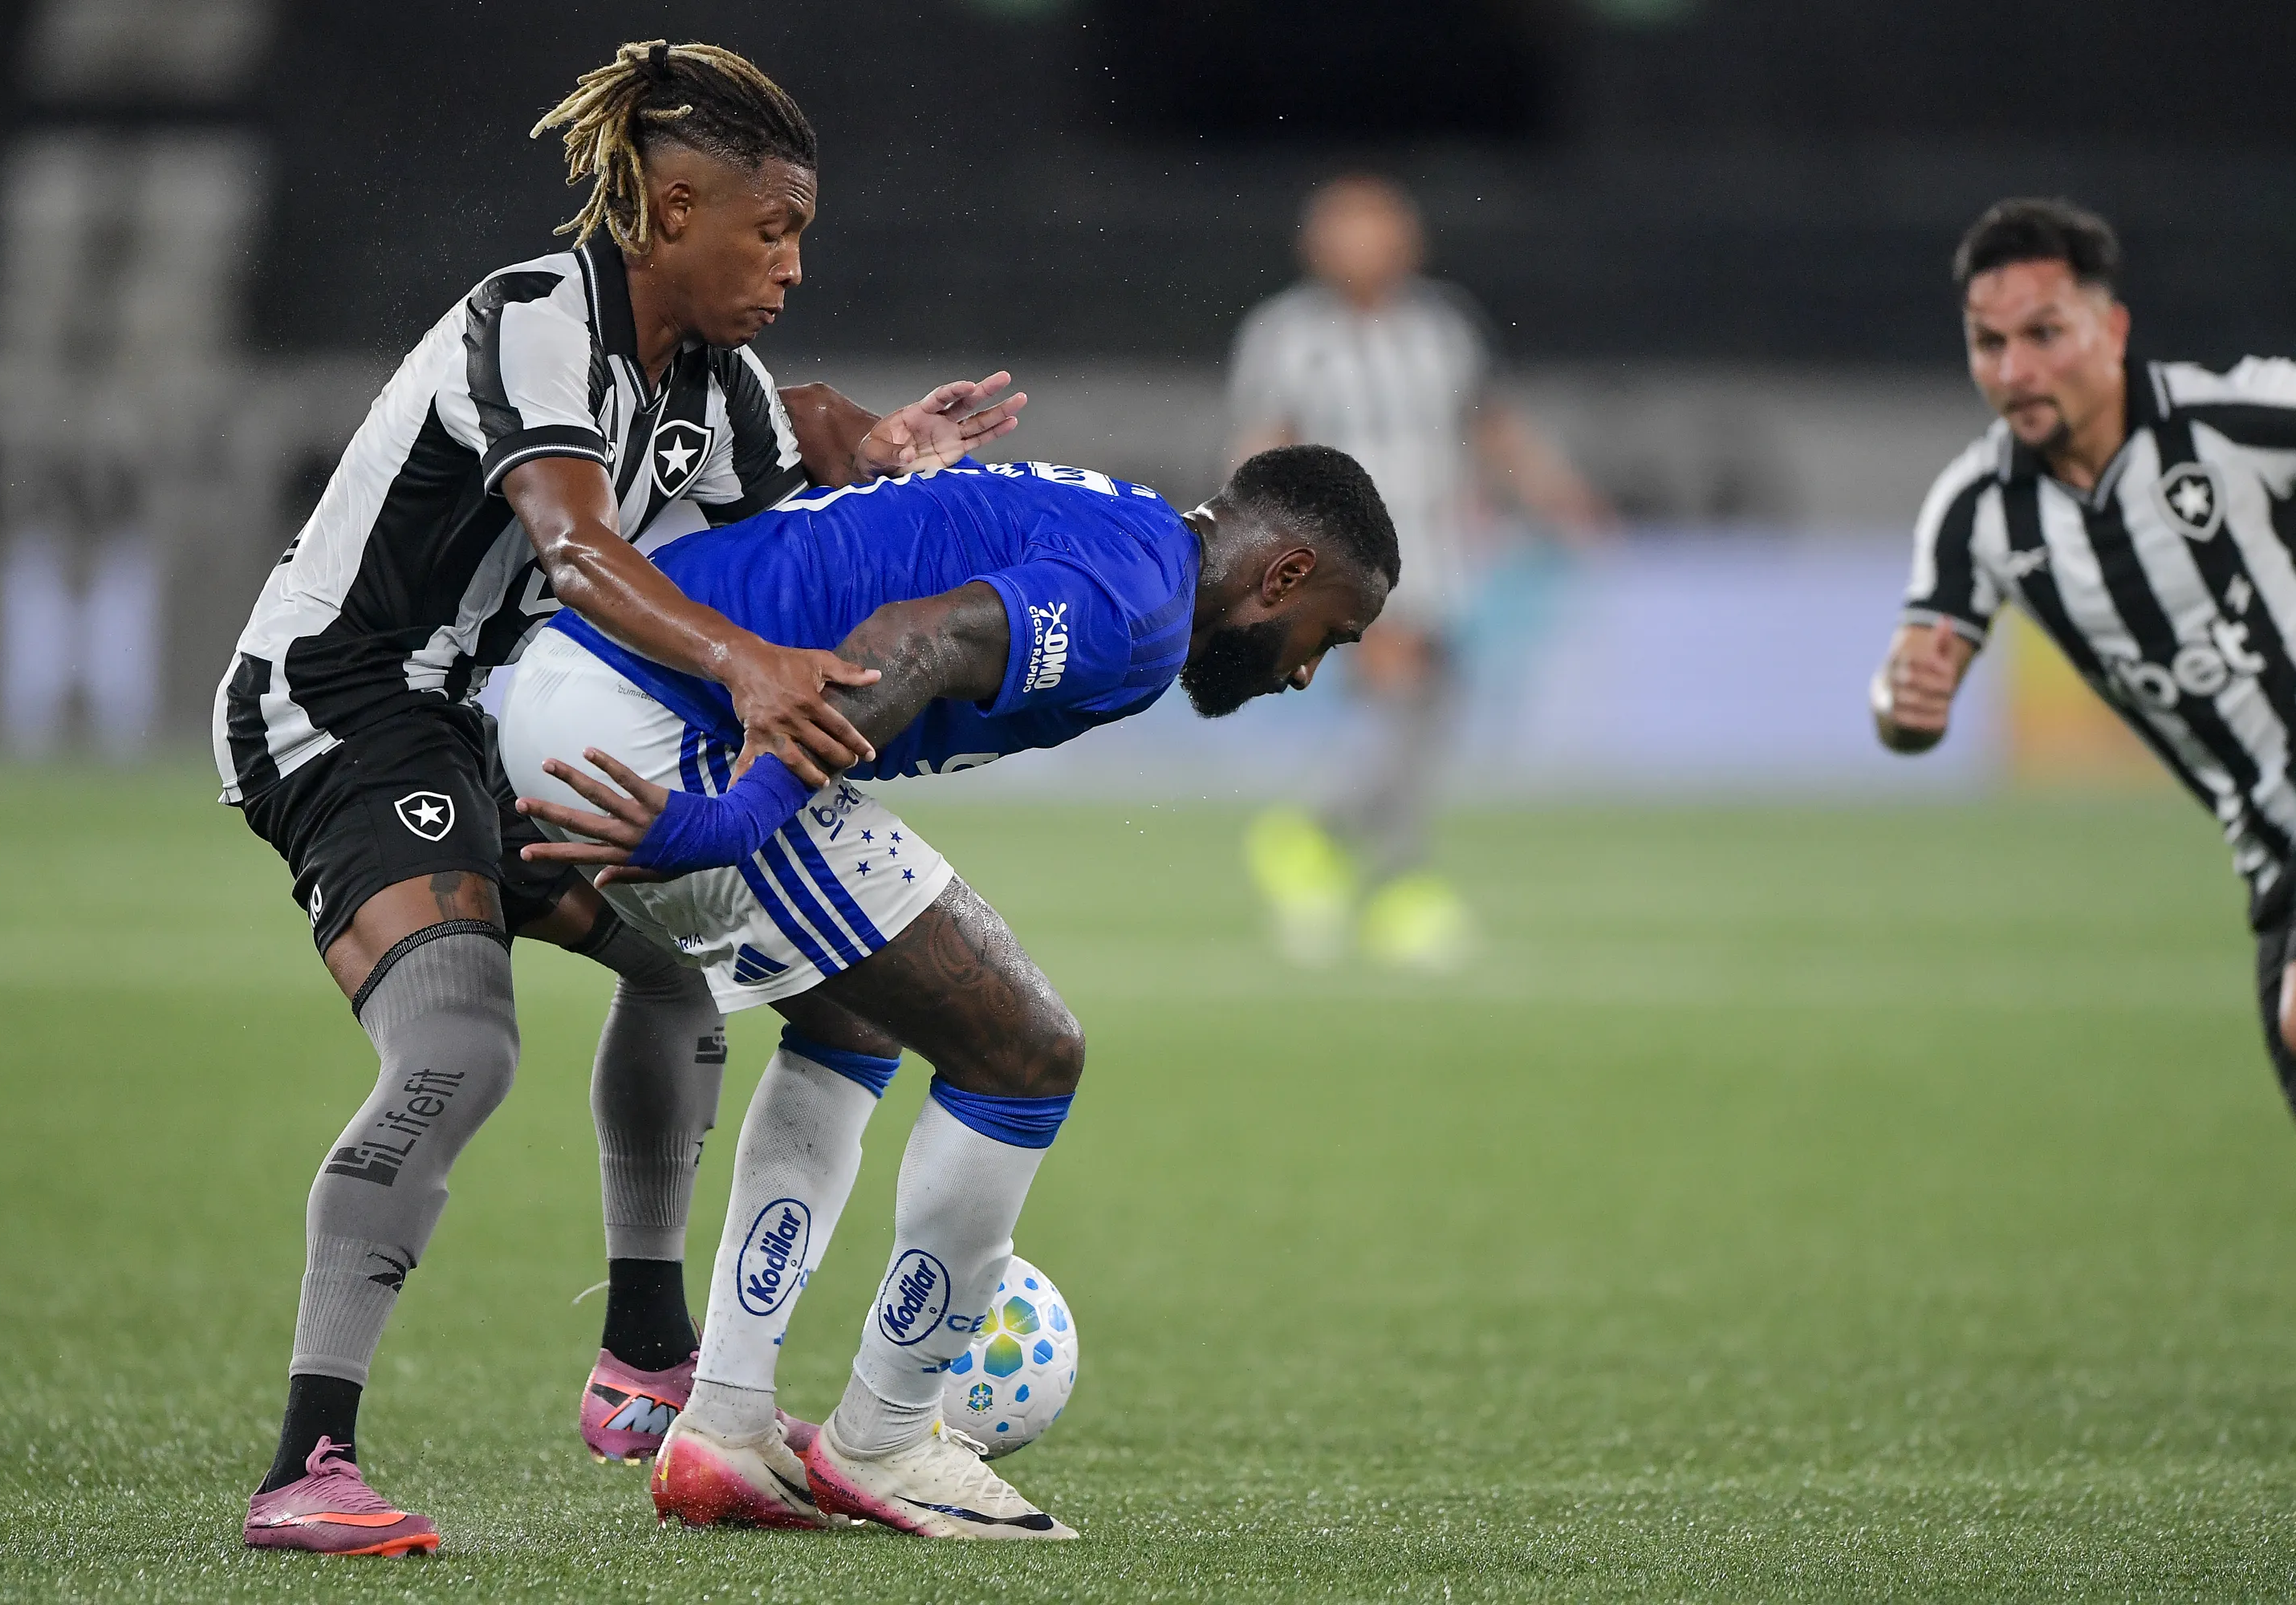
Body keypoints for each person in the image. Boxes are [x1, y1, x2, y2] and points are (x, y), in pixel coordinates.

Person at [224, 39, 1031, 1555]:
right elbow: (588, 551)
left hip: (485, 723)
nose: (794, 261)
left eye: (802, 231)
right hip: (344, 700)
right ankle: (306, 1464)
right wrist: (745, 673)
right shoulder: (536, 316)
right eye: (771, 227)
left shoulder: (703, 384)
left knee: (678, 981)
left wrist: (889, 458)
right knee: (458, 1044)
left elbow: (789, 462)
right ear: (668, 207)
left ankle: (646, 1368)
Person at [498, 444, 1397, 1538]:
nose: (1307, 671)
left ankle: (726, 1429)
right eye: (1330, 640)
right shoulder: (1141, 608)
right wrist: (734, 821)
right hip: (656, 725)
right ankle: (887, 1442)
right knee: (1025, 1054)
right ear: (1287, 576)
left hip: (600, 688)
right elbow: (909, 644)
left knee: (858, 1014)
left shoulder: (1137, 539)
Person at [1875, 197, 2296, 1170]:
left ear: (2111, 329)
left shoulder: (2232, 421)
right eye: (1988, 343)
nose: (2015, 370)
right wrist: (1901, 704)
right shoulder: (1977, 509)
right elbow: (1917, 677)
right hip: (2275, 861)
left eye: (2044, 334)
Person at [1227, 173, 1611, 969]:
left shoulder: (1443, 329)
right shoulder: (1287, 335)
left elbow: (1493, 426)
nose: (1366, 245)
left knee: (1426, 718)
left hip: (1441, 553)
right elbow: (1259, 444)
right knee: (1403, 705)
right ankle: (1405, 892)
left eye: (1380, 228)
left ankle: (1314, 834)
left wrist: (1557, 495)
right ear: (1315, 245)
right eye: (1348, 229)